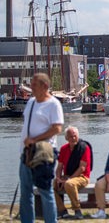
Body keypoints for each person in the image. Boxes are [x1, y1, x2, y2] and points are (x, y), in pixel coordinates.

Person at [19, 73, 64, 223]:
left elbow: (57, 128)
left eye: (34, 84)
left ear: (44, 86)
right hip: (27, 153)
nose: (31, 86)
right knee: (25, 192)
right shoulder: (31, 102)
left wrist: (34, 139)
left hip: (44, 154)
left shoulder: (53, 104)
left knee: (45, 190)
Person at [54, 126, 92, 219]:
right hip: (67, 176)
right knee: (54, 183)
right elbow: (59, 167)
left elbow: (82, 168)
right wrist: (59, 178)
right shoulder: (63, 149)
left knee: (69, 184)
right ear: (66, 138)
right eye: (70, 136)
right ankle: (62, 210)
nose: (73, 138)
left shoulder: (84, 148)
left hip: (82, 177)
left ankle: (77, 210)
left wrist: (68, 179)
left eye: (75, 136)